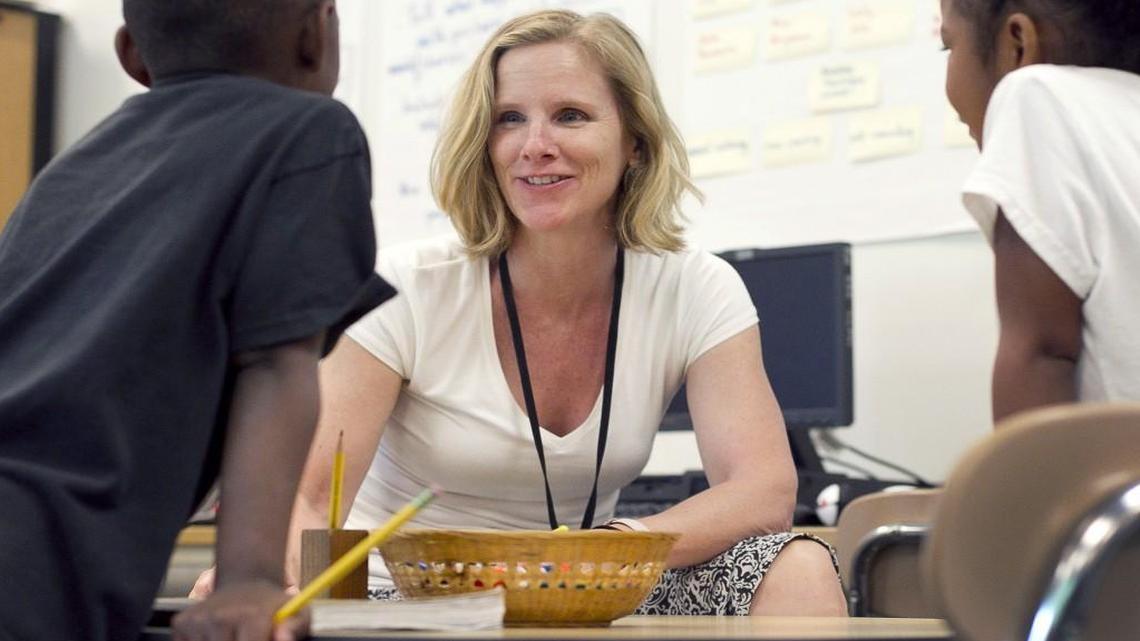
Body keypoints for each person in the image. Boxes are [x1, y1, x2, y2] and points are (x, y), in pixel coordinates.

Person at [192, 9, 847, 616]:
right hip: (413, 592)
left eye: (569, 115)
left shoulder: (696, 285)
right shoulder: (406, 285)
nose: (534, 144)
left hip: (590, 587)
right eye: (509, 119)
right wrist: (269, 574)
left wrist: (615, 547)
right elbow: (307, 493)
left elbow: (761, 488)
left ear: (635, 143)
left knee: (798, 565)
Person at [0, 1, 395, 639]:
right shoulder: (307, 131)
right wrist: (250, 581)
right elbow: (274, 363)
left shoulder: (71, 171)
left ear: (132, 55)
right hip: (38, 562)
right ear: (316, 34)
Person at [941, 0, 1140, 422]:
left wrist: (1018, 490)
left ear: (1018, 44)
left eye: (948, 47)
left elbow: (1042, 354)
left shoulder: (1036, 94)